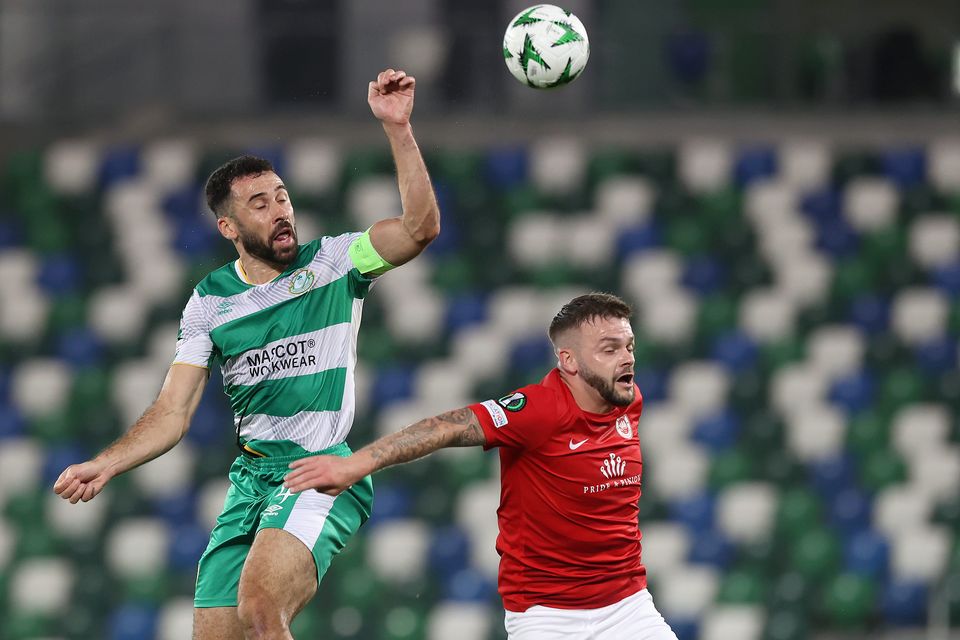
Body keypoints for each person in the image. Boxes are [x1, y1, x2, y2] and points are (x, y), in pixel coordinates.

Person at [53, 67, 440, 640]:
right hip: (250, 481)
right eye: (260, 204)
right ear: (227, 225)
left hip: (319, 469)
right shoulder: (209, 302)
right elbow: (172, 412)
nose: (280, 210)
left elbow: (419, 228)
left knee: (260, 609)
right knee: (215, 633)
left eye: (282, 197)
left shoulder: (333, 263)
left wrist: (399, 128)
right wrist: (107, 462)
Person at [284, 292, 679, 640]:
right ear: (569, 361)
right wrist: (354, 466)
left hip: (628, 605)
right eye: (609, 349)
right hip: (547, 617)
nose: (627, 358)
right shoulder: (539, 410)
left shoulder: (630, 401)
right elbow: (446, 427)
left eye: (629, 346)